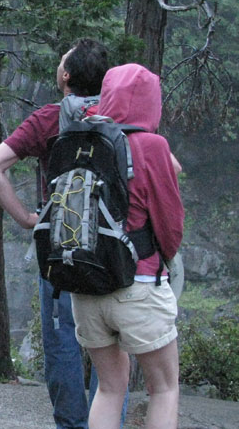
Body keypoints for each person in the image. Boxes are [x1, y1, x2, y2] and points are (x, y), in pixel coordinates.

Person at [0, 38, 125, 429]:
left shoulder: (48, 119)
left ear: (65, 76)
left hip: (62, 249)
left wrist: (29, 218)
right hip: (114, 252)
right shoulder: (121, 116)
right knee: (112, 353)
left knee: (62, 344)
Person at [71, 63, 184, 429]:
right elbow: (170, 225)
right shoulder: (152, 146)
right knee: (163, 388)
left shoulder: (80, 137)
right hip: (137, 283)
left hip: (86, 284)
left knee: (109, 388)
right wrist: (163, 261)